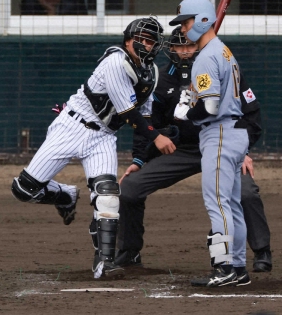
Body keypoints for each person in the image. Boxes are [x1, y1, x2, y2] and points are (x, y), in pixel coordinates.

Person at [11, 16, 176, 279]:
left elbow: (144, 117)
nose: (146, 45)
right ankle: (65, 196)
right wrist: (156, 137)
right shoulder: (115, 62)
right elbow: (129, 113)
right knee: (24, 189)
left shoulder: (152, 73)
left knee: (108, 195)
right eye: (141, 39)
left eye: (151, 41)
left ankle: (105, 263)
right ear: (128, 40)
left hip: (103, 136)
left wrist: (154, 140)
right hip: (73, 125)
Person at [115, 27, 272, 283]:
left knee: (245, 193)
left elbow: (250, 111)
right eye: (180, 46)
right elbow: (147, 123)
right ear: (172, 49)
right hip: (184, 151)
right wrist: (139, 160)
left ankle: (261, 252)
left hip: (221, 143)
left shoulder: (219, 66)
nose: (185, 51)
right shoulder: (160, 80)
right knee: (130, 187)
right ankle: (129, 252)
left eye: (189, 45)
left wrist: (243, 149)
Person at [168, 0, 252, 287]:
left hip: (219, 133)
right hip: (235, 132)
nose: (184, 27)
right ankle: (238, 267)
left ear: (203, 19)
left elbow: (210, 108)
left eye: (187, 21)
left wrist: (187, 113)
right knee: (231, 204)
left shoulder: (205, 56)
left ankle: (223, 266)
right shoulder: (223, 51)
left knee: (217, 203)